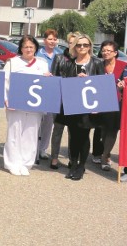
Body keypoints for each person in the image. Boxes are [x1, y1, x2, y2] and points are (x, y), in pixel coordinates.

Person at [3, 35, 50, 176]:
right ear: (21, 48)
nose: (28, 49)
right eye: (25, 47)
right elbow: (4, 82)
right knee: (14, 133)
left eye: (31, 46)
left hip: (35, 106)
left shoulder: (42, 63)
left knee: (31, 134)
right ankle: (12, 163)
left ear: (35, 48)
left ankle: (26, 163)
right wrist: (6, 99)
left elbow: (45, 85)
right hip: (15, 104)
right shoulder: (12, 62)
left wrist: (49, 78)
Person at [61, 34, 104, 180]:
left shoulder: (97, 63)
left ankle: (81, 167)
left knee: (84, 135)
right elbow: (65, 83)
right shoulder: (70, 63)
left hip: (89, 106)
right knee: (73, 136)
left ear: (90, 47)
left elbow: (101, 85)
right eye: (79, 45)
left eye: (85, 45)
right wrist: (75, 79)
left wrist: (89, 81)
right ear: (75, 47)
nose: (82, 47)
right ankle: (73, 164)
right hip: (73, 104)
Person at [93, 40, 127, 171]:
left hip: (117, 103)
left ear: (115, 53)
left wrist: (122, 86)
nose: (106, 52)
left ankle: (105, 156)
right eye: (104, 50)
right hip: (100, 102)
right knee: (102, 130)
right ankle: (100, 153)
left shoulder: (123, 66)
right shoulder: (98, 65)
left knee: (112, 130)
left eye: (109, 50)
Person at [49, 32, 79, 169]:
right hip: (60, 99)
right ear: (68, 43)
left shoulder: (81, 60)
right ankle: (54, 157)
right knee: (58, 129)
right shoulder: (59, 57)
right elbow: (54, 78)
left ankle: (73, 159)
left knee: (74, 131)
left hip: (74, 100)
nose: (73, 45)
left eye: (76, 43)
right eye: (71, 42)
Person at [36, 29, 62, 161]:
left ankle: (42, 149)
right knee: (36, 120)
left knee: (48, 122)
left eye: (54, 39)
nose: (52, 41)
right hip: (39, 90)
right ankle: (33, 148)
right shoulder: (37, 53)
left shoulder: (61, 54)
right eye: (50, 39)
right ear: (44, 40)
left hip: (54, 92)